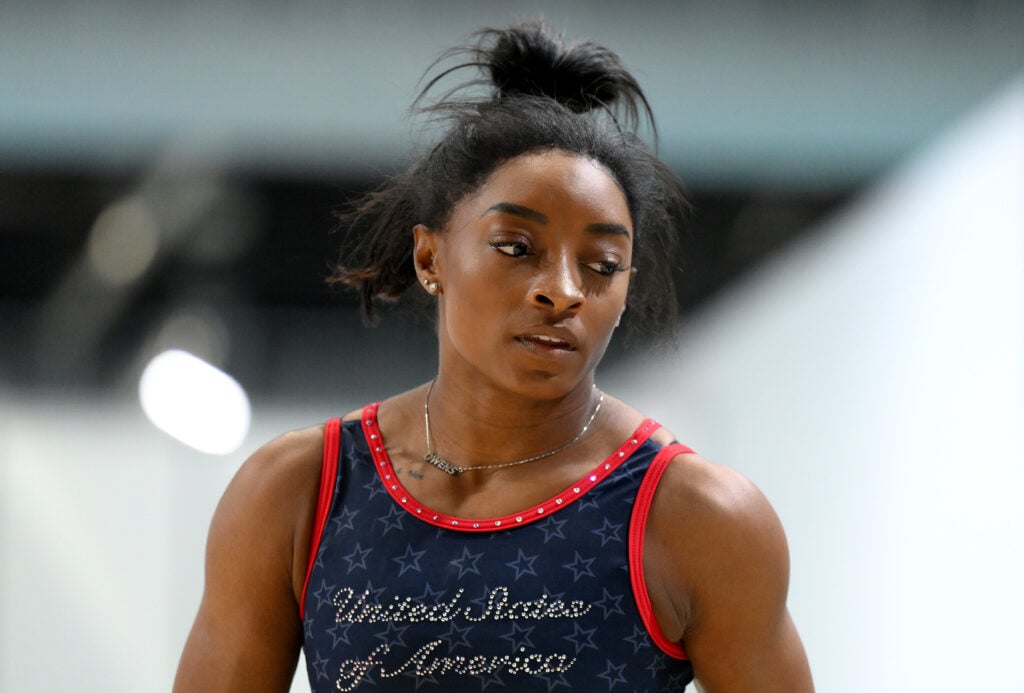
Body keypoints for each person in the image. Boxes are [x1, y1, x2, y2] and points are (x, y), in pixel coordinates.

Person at [174, 21, 813, 692]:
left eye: (602, 263)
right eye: (516, 246)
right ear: (431, 257)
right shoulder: (300, 490)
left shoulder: (698, 518)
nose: (563, 290)